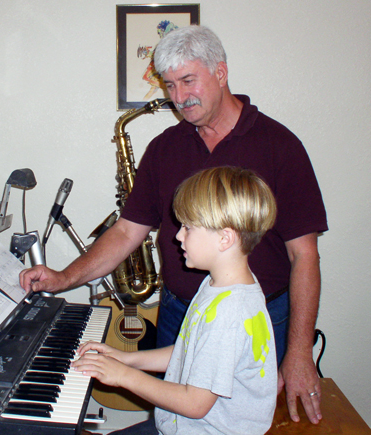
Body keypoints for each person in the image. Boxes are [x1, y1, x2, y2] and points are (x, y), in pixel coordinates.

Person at [20, 25, 327, 424]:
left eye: (188, 80)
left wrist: (300, 352)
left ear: (220, 72)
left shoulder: (280, 145)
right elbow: (127, 232)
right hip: (184, 311)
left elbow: (304, 255)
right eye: (169, 85)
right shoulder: (165, 148)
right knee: (175, 421)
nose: (179, 98)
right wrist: (63, 278)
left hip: (260, 315)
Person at [73, 166, 278, 434]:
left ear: (225, 238)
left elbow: (195, 404)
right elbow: (188, 351)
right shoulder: (219, 285)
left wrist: (124, 376)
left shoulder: (230, 313)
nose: (178, 236)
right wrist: (126, 359)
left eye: (188, 227)